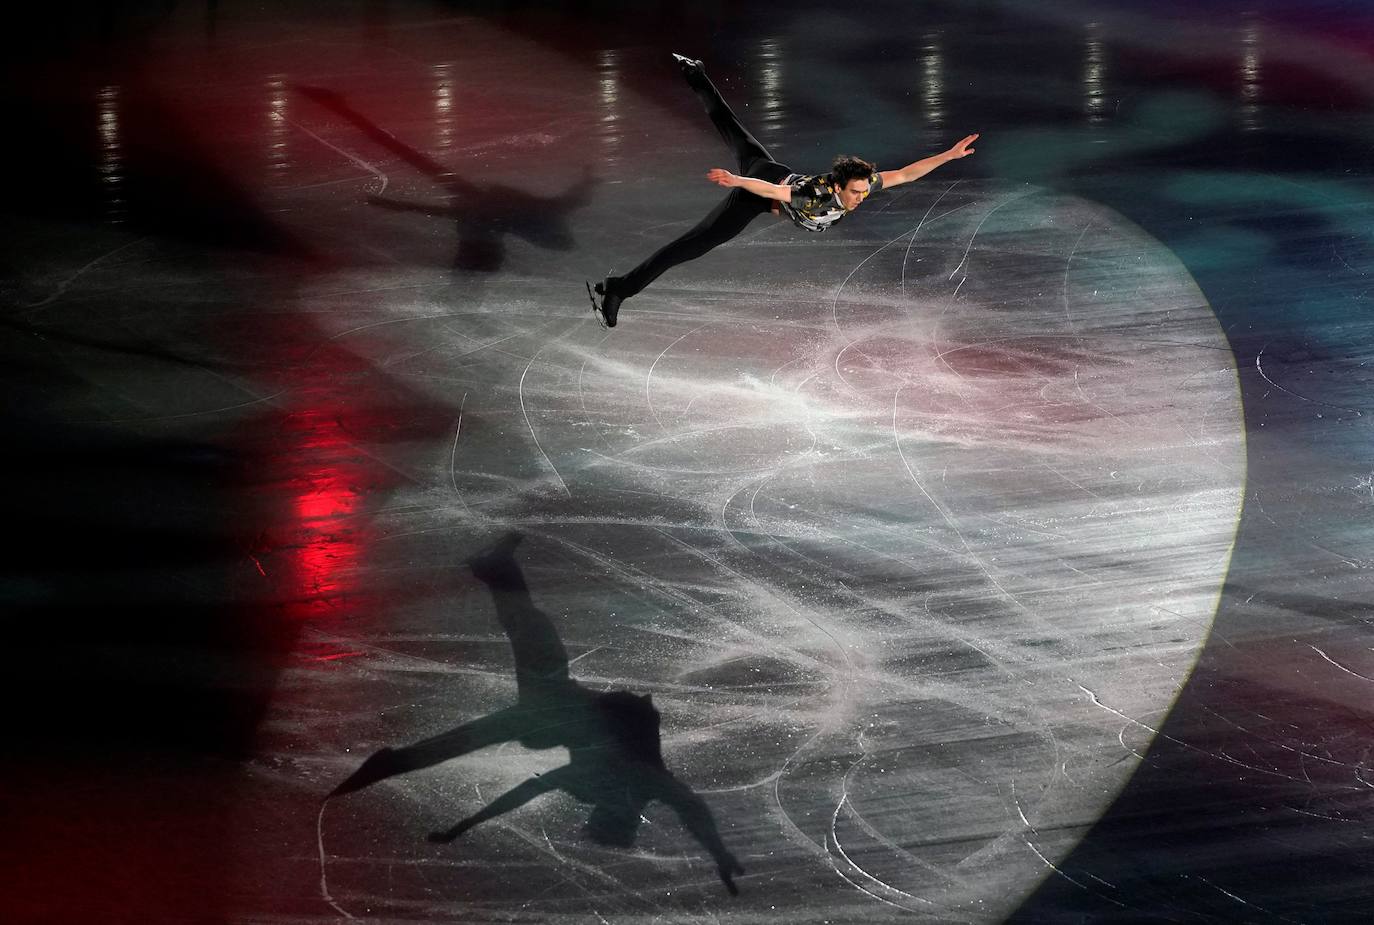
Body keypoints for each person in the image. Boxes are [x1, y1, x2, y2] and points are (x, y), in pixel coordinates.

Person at [328, 533, 746, 894]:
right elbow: (695, 814)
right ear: (628, 820)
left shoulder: (597, 786)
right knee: (530, 638)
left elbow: (525, 792)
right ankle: (495, 570)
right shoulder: (643, 786)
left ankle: (396, 760)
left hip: (554, 712)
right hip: (559, 710)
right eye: (618, 821)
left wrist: (466, 825)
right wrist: (720, 853)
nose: (612, 813)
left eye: (608, 820)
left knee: (531, 640)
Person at [586, 53, 978, 327]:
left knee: (730, 125)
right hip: (757, 192)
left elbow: (907, 174)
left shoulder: (861, 183)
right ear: (839, 186)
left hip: (773, 172)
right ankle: (619, 288)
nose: (863, 197)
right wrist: (738, 182)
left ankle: (695, 72)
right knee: (690, 246)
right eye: (856, 192)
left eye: (863, 190)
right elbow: (774, 194)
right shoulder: (816, 195)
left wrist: (949, 154)